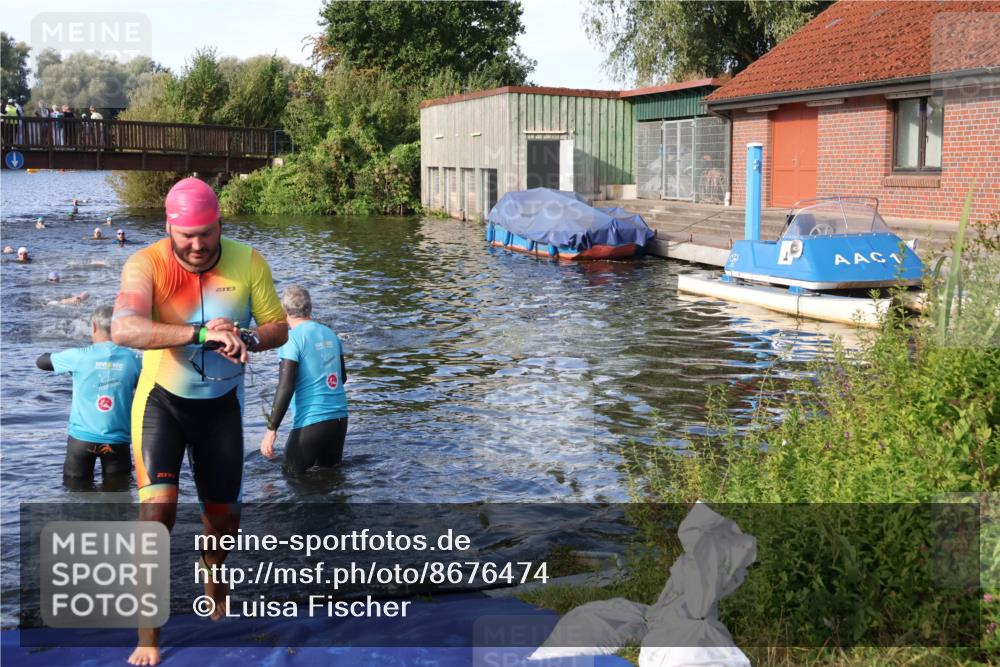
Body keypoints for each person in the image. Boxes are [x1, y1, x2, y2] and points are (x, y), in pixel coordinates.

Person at [111, 176, 287, 666]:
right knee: (156, 517)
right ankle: (148, 637)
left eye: (206, 233)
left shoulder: (248, 261)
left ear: (220, 225)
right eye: (186, 235)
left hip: (221, 409)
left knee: (223, 520)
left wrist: (246, 338)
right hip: (162, 405)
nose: (196, 244)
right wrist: (200, 333)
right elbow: (124, 328)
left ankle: (213, 573)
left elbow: (277, 327)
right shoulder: (146, 263)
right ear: (168, 227)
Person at [35, 306, 141, 490]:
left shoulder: (77, 356)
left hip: (81, 441)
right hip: (117, 442)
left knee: (76, 493)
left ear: (93, 327)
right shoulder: (134, 359)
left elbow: (41, 362)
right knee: (118, 496)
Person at [260, 285, 348, 474]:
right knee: (330, 478)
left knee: (291, 477)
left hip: (311, 421)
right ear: (310, 307)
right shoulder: (331, 334)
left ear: (283, 311)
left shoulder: (290, 339)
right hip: (339, 420)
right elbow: (343, 377)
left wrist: (271, 429)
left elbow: (286, 387)